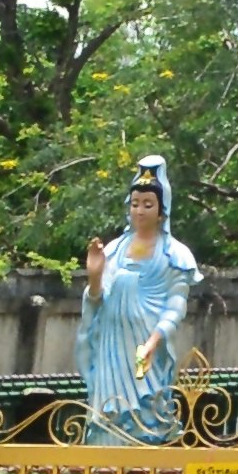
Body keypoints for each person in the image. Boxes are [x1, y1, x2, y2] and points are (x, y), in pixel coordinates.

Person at [82, 156, 205, 442]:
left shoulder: (174, 255)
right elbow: (96, 300)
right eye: (135, 203)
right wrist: (94, 277)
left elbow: (175, 307)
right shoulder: (113, 250)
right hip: (111, 347)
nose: (139, 210)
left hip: (145, 347)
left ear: (162, 211)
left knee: (146, 414)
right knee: (109, 412)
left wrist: (152, 342)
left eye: (148, 204)